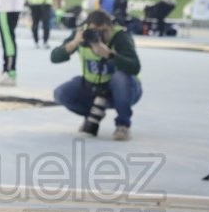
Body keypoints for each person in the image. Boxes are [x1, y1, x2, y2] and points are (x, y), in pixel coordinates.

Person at [51, 9, 142, 141]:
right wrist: (74, 43)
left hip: (121, 90)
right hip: (92, 87)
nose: (99, 36)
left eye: (103, 31)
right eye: (95, 31)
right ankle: (93, 114)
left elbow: (135, 67)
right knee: (61, 93)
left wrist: (110, 55)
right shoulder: (83, 35)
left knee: (121, 78)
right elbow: (54, 57)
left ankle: (123, 125)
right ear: (88, 27)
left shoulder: (120, 37)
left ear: (111, 27)